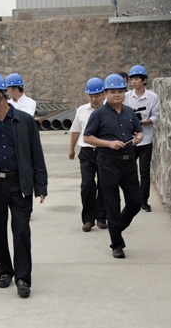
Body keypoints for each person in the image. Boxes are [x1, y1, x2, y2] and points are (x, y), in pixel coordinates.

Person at [0, 73, 48, 298]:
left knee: (21, 231)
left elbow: (36, 154)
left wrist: (41, 185)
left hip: (20, 184)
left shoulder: (25, 122)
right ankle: (4, 271)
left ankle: (23, 278)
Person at [83, 74, 143, 259]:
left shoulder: (129, 112)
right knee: (112, 204)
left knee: (135, 203)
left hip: (129, 162)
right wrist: (108, 144)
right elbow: (87, 137)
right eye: (112, 92)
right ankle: (117, 244)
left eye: (120, 91)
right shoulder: (99, 114)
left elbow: (138, 130)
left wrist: (139, 137)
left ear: (125, 92)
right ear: (106, 93)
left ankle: (116, 228)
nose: (117, 95)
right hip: (108, 162)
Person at [68, 77, 107, 232]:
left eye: (97, 96)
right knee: (87, 185)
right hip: (87, 153)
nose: (94, 99)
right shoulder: (82, 110)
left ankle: (102, 217)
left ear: (103, 94)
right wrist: (71, 148)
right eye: (91, 96)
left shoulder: (109, 110)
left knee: (104, 184)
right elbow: (75, 130)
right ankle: (88, 219)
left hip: (105, 152)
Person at [124, 65, 161, 212]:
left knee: (145, 173)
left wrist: (143, 123)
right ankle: (132, 200)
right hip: (131, 141)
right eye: (132, 79)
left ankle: (143, 201)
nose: (134, 81)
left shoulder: (152, 97)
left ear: (144, 80)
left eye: (137, 78)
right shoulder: (127, 97)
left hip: (146, 140)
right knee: (129, 172)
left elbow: (155, 116)